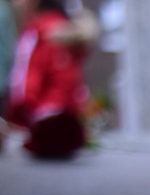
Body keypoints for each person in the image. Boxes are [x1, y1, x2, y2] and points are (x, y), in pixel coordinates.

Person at [5, 0, 93, 137]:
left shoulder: (38, 31)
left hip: (41, 122)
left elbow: (28, 81)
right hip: (69, 120)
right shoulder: (63, 27)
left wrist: (19, 114)